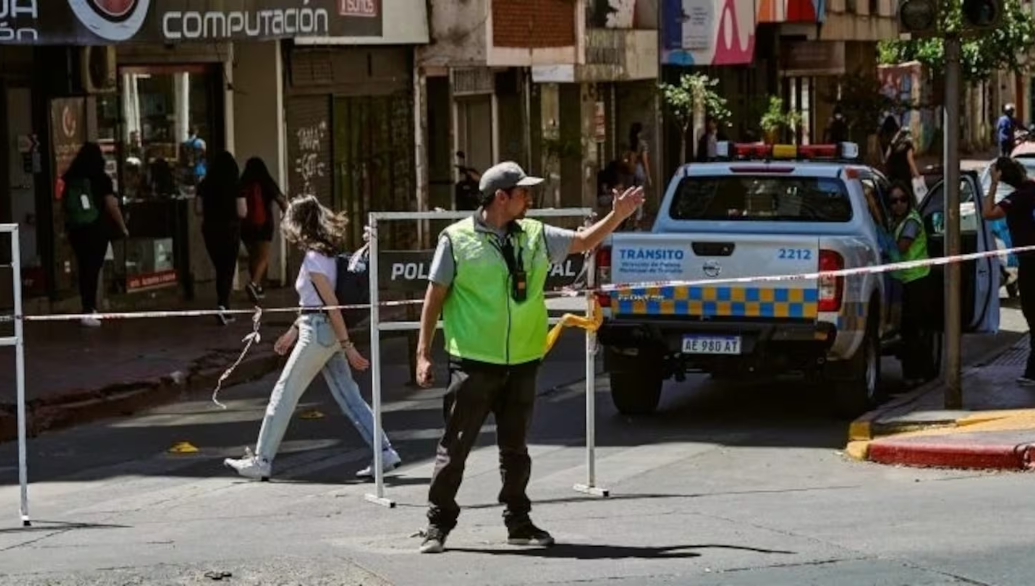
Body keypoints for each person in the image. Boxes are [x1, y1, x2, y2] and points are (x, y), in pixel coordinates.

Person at [414, 161, 645, 554]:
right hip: (472, 362)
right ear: (500, 197)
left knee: (515, 451)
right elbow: (434, 297)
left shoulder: (535, 234)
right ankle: (438, 525)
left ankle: (518, 523)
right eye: (523, 193)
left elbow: (583, 241)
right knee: (454, 448)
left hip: (522, 361)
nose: (529, 199)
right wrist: (422, 353)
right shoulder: (456, 239)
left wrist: (616, 216)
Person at [224, 195, 402, 480]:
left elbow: (330, 304)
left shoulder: (313, 259)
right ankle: (384, 451)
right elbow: (316, 302)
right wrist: (293, 332)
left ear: (299, 225)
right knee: (349, 396)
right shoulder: (328, 255)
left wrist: (348, 346)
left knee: (284, 394)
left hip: (319, 333)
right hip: (320, 331)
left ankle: (261, 461)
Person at [61, 142, 129, 327]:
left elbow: (63, 203)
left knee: (83, 267)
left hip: (76, 229)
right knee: (93, 268)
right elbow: (111, 205)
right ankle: (89, 309)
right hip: (96, 228)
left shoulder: (71, 176)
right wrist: (123, 227)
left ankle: (87, 306)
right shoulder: (101, 178)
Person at [982, 157, 1035, 384]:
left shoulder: (1015, 199)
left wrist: (993, 184)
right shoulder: (1031, 189)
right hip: (1029, 261)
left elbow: (988, 213)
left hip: (1030, 264)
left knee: (1032, 317)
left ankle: (1033, 371)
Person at [887, 181, 934, 386]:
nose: (899, 204)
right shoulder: (895, 221)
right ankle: (916, 374)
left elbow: (901, 248)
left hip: (917, 282)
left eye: (902, 199)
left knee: (914, 332)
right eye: (894, 201)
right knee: (909, 332)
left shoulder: (911, 221)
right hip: (905, 281)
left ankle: (918, 376)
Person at [195, 151, 244, 325]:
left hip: (210, 230)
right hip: (230, 230)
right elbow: (242, 211)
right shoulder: (236, 185)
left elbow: (198, 209)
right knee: (228, 268)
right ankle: (223, 305)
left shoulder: (204, 185)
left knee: (220, 267)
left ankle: (223, 305)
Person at [239, 157, 288, 302]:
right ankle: (254, 284)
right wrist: (287, 217)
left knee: (253, 256)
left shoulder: (242, 183)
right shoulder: (267, 182)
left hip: (245, 226)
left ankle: (258, 287)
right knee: (263, 257)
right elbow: (282, 202)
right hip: (264, 224)